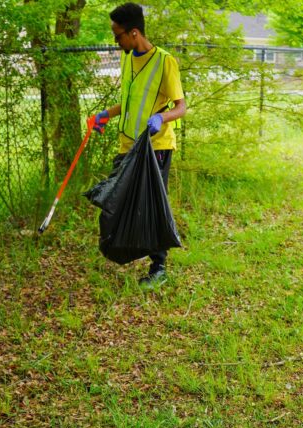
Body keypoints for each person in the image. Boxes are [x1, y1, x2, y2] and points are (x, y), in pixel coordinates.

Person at [90, 3, 186, 285]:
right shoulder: (127, 58)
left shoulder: (164, 61)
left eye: (117, 35)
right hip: (127, 145)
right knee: (114, 199)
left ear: (134, 33)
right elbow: (131, 101)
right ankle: (128, 248)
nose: (115, 41)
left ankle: (159, 267)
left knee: (153, 203)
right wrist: (106, 114)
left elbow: (181, 107)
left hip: (155, 147)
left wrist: (161, 117)